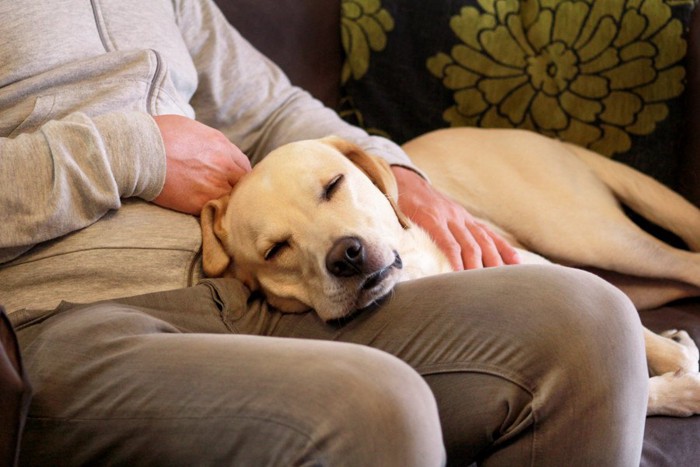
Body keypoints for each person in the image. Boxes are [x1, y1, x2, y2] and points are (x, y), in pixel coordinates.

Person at [0, 0, 648, 465]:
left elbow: (272, 110)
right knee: (373, 407)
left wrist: (399, 171)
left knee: (588, 322)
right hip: (72, 328)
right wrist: (135, 153)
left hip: (260, 296)